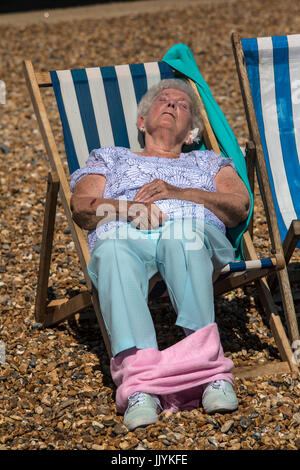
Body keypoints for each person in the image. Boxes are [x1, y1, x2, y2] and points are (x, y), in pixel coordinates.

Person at [70, 79, 251, 430]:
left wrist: (181, 192)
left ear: (192, 131)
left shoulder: (208, 161)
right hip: (125, 231)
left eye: (182, 104)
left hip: (191, 231)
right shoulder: (109, 157)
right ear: (141, 122)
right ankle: (141, 386)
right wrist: (126, 210)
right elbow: (82, 208)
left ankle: (210, 374)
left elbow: (238, 206)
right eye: (162, 101)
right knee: (111, 253)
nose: (171, 105)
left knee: (178, 238)